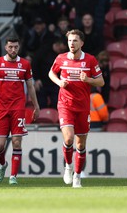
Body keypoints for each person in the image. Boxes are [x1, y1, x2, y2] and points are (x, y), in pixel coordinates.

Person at [48, 29, 104, 188]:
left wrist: (88, 80)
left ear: (82, 43)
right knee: (68, 139)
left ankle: (78, 176)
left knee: (80, 145)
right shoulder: (61, 58)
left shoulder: (90, 60)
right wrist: (59, 83)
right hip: (65, 104)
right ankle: (68, 167)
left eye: (75, 41)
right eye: (70, 41)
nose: (71, 43)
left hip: (83, 106)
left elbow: (101, 82)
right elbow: (51, 73)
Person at [0, 36, 40, 185]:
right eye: (10, 47)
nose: (13, 49)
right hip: (1, 108)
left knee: (17, 142)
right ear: (5, 47)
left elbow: (30, 87)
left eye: (16, 47)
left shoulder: (25, 64)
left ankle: (13, 176)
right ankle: (3, 165)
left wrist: (36, 106)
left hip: (18, 108)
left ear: (19, 47)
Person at [32, 37, 67, 109]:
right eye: (61, 49)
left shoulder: (62, 55)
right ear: (57, 45)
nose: (61, 51)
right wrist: (36, 79)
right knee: (41, 104)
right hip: (41, 82)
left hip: (55, 83)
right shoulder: (43, 51)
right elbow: (35, 64)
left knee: (56, 104)